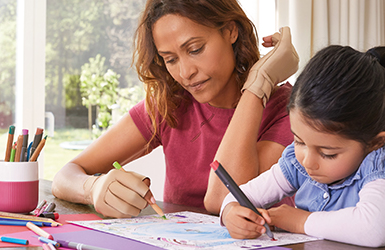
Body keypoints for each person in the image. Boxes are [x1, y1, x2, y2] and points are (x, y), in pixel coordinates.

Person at [51, 0, 299, 218]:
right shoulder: (171, 104)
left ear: (230, 30)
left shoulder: (287, 110)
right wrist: (93, 189)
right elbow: (65, 176)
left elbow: (223, 198)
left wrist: (257, 87)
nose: (185, 73)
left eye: (195, 49)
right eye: (170, 59)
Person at [220, 45, 385, 247]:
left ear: (374, 142)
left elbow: (374, 230)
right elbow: (241, 196)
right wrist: (231, 212)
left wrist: (300, 221)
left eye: (328, 153)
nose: (308, 161)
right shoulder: (299, 161)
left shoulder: (383, 161)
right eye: (299, 141)